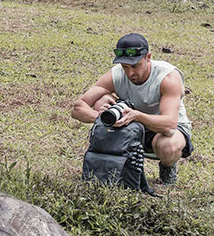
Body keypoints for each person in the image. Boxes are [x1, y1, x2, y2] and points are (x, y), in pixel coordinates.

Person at [72, 32, 193, 185]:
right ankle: (115, 166)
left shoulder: (167, 77)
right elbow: (77, 108)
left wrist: (137, 116)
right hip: (132, 126)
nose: (130, 73)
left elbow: (169, 125)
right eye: (125, 67)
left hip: (166, 130)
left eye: (135, 66)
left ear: (148, 57)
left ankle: (167, 166)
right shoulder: (116, 74)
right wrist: (101, 117)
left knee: (167, 147)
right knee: (100, 100)